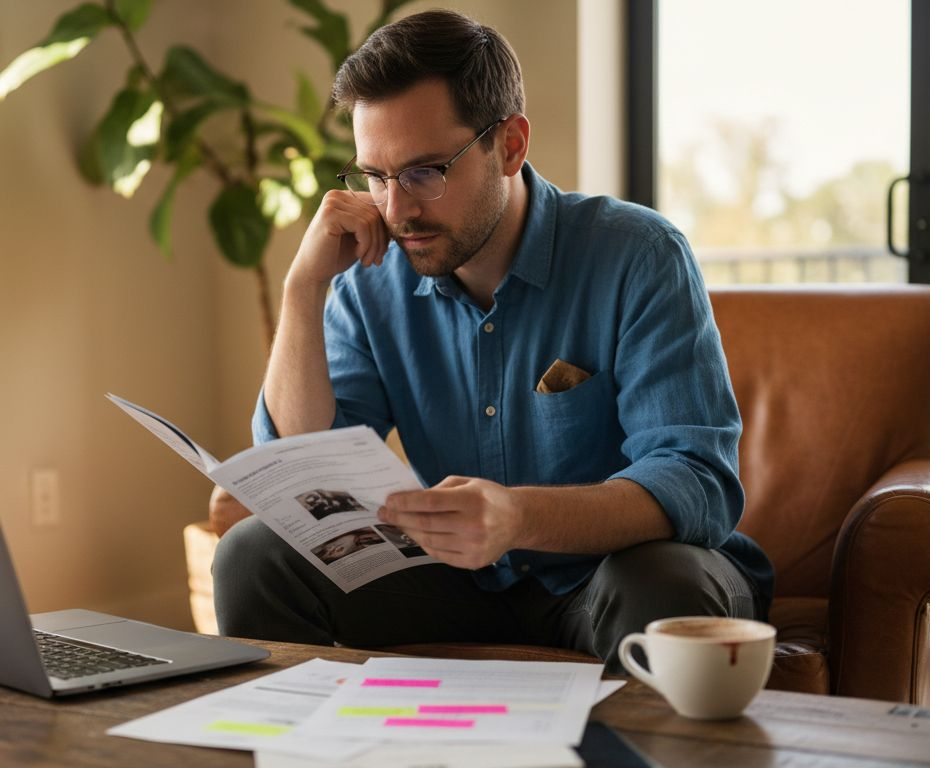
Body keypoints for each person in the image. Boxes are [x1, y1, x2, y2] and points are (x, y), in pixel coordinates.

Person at [211, 9, 772, 670]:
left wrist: (518, 517)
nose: (397, 209)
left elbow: (695, 478)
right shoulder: (368, 277)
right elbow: (300, 474)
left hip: (610, 579)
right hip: (457, 585)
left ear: (509, 146)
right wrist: (302, 288)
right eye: (376, 176)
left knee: (664, 585)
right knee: (254, 554)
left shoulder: (638, 255)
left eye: (424, 172)